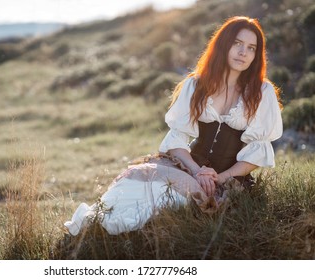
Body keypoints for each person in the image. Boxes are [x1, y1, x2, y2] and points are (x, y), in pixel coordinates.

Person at [64, 16, 283, 236]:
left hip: (230, 178)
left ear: (256, 55)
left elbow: (257, 152)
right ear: (223, 45)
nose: (243, 52)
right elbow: (177, 139)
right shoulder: (196, 85)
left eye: (251, 48)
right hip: (190, 168)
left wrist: (220, 177)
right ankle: (98, 225)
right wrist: (198, 172)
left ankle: (119, 233)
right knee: (139, 180)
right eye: (237, 43)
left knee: (172, 201)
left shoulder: (261, 93)